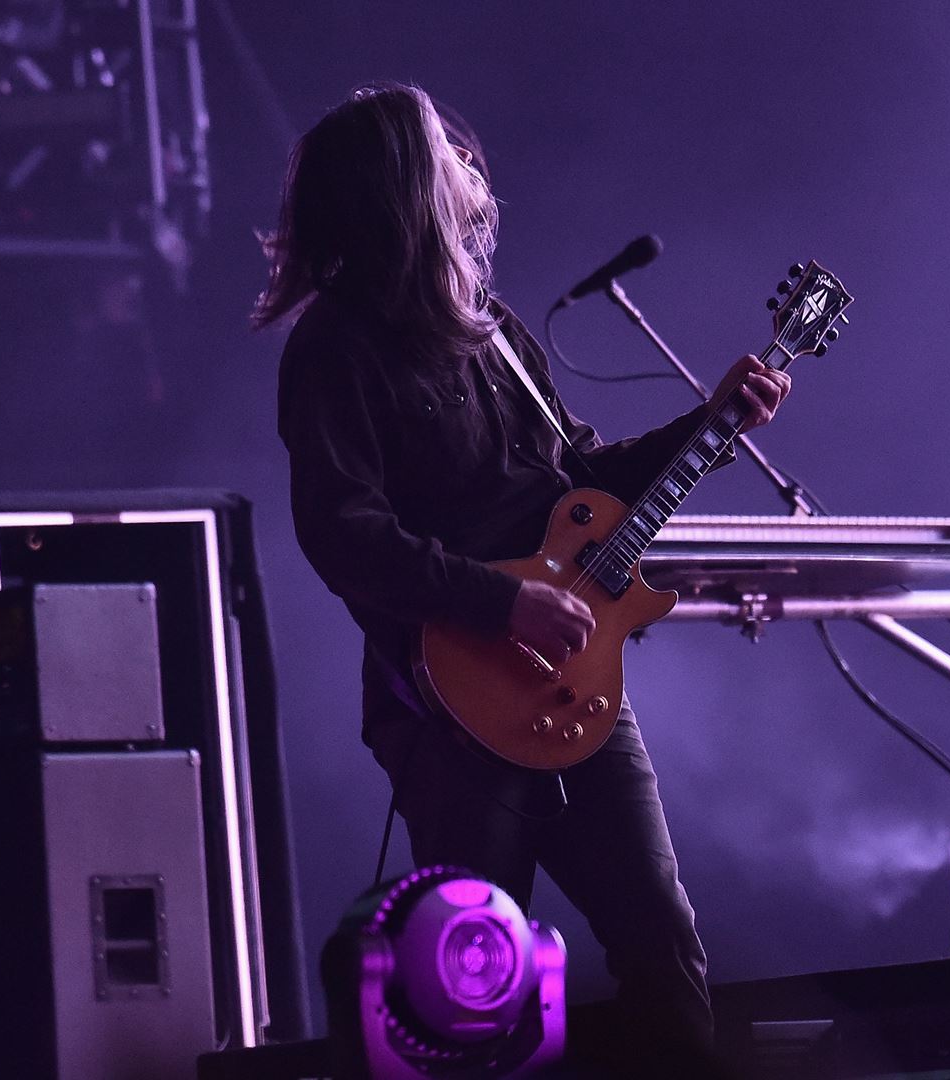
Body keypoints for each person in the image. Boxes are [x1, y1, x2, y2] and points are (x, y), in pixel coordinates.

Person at [258, 83, 789, 1070]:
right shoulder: (335, 347)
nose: (471, 162)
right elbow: (342, 532)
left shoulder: (489, 326)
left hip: (577, 695)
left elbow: (578, 483)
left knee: (665, 948)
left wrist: (710, 425)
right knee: (472, 982)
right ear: (407, 185)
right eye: (446, 149)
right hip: (449, 709)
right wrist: (500, 599)